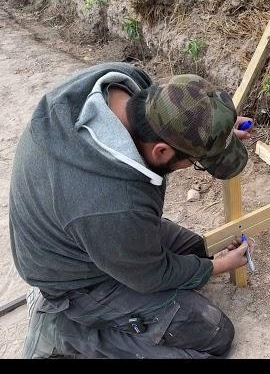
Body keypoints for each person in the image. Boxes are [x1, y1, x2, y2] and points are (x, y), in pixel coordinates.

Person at [9, 62, 255, 358]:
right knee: (214, 334)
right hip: (73, 276)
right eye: (195, 162)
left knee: (195, 250)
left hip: (80, 229)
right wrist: (217, 267)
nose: (193, 166)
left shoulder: (123, 83)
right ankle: (65, 332)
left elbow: (175, 120)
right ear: (161, 151)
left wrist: (213, 132)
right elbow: (151, 275)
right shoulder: (114, 205)